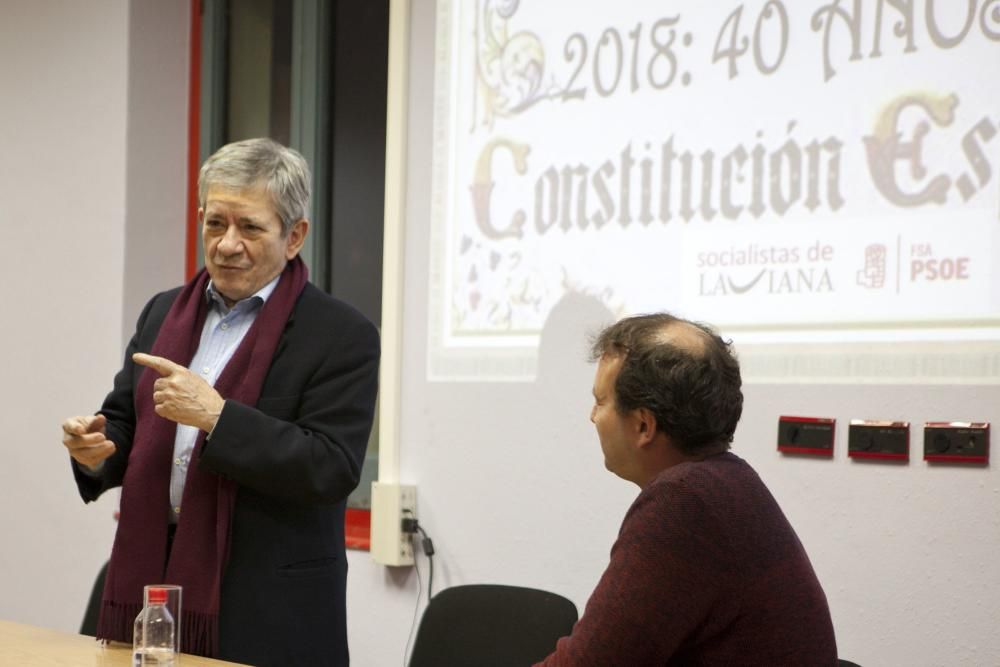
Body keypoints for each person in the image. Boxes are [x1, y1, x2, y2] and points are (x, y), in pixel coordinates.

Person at [61, 138, 379, 667]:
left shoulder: (342, 334)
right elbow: (125, 421)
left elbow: (331, 466)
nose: (228, 244)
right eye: (215, 223)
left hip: (270, 612)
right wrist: (95, 449)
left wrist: (217, 418)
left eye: (250, 227)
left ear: (294, 235)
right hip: (158, 591)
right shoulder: (163, 313)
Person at [536, 313, 837, 666]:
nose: (592, 416)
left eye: (601, 401)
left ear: (643, 425)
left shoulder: (682, 504)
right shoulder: (728, 482)